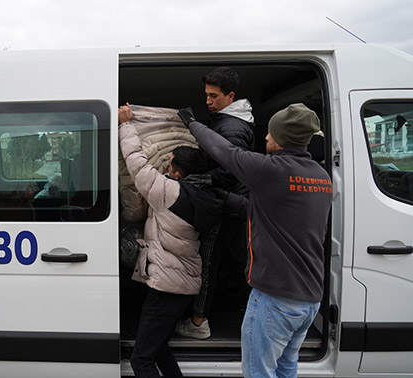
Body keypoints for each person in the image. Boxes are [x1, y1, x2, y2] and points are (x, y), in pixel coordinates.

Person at [180, 103, 332, 377]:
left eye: (270, 134)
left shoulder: (270, 170)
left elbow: (225, 152)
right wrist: (225, 197)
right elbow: (271, 213)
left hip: (275, 299)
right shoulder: (321, 177)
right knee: (286, 367)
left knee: (258, 372)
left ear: (282, 138)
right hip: (309, 300)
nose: (265, 138)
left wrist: (192, 124)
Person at [119, 103, 241, 378]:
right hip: (181, 283)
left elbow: (137, 162)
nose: (166, 164)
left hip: (166, 287)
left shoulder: (168, 193)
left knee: (141, 360)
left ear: (176, 173)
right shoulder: (207, 196)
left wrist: (126, 124)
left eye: (170, 162)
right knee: (158, 346)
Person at [175, 67, 254, 339]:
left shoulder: (231, 127)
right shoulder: (226, 122)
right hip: (237, 204)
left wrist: (199, 180)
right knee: (237, 262)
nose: (208, 101)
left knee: (207, 262)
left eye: (214, 96)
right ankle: (251, 313)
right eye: (206, 95)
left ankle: (198, 322)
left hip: (226, 205)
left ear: (230, 96)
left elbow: (231, 172)